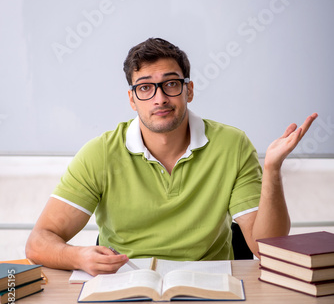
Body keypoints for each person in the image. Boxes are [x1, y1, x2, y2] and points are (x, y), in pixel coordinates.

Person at [25, 38, 318, 276]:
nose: (160, 98)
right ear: (132, 99)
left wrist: (272, 169)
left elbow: (265, 246)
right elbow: (39, 241)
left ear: (188, 90)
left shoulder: (232, 144)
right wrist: (77, 257)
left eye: (171, 83)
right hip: (124, 288)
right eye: (145, 88)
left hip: (209, 287)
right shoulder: (100, 153)